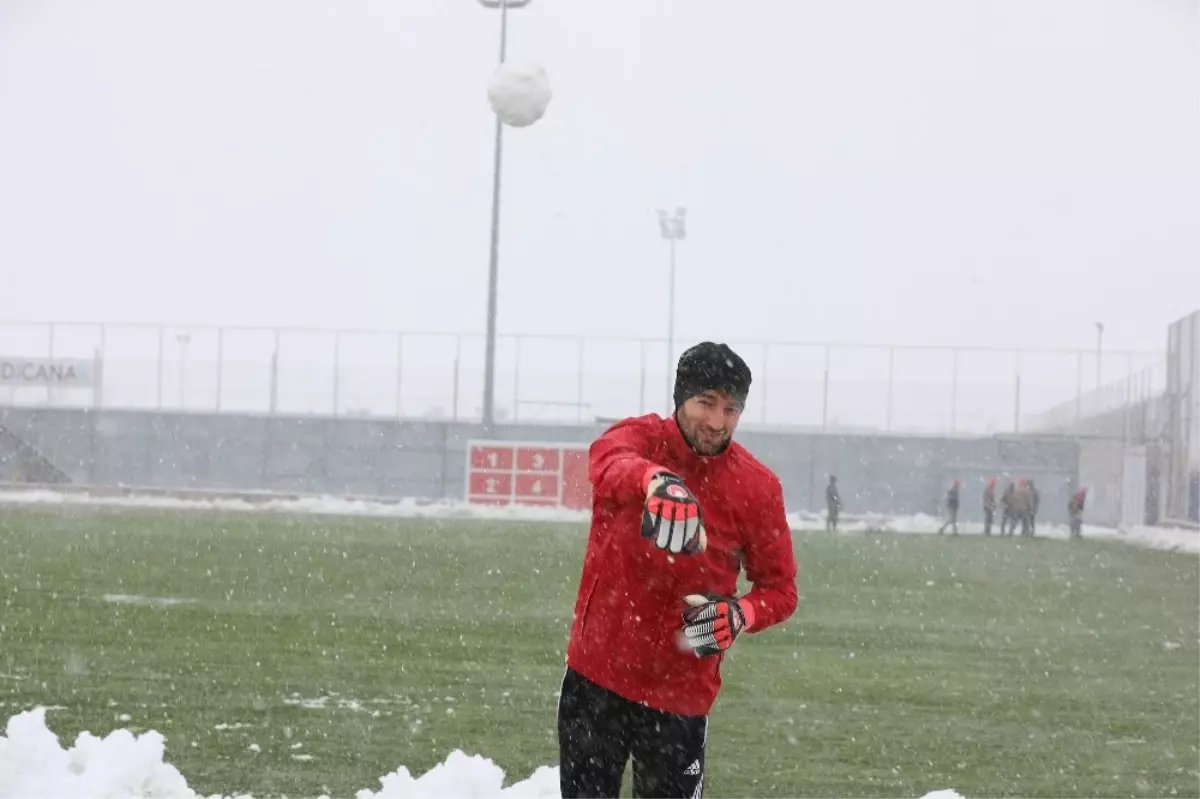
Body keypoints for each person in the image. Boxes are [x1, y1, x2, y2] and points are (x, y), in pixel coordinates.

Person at [558, 341, 799, 799]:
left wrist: (741, 614)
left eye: (731, 409)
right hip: (596, 679)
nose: (716, 421)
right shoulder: (635, 439)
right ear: (680, 398)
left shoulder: (758, 487)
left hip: (682, 691)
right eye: (705, 403)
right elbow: (606, 462)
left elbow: (781, 589)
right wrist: (656, 481)